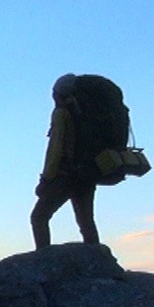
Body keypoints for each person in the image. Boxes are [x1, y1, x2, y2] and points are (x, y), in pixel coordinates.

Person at [30, 73, 100, 249]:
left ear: (58, 94)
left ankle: (44, 260)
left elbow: (55, 149)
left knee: (39, 217)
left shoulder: (61, 114)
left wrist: (46, 180)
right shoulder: (86, 114)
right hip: (88, 173)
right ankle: (99, 263)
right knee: (86, 222)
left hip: (66, 175)